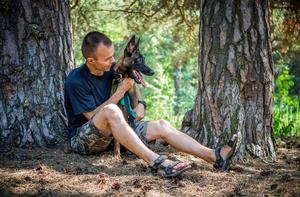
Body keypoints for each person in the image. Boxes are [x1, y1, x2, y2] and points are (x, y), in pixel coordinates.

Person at [64, 31, 239, 178]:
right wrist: (119, 93)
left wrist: (141, 103)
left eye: (113, 55)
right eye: (107, 59)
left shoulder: (112, 68)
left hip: (119, 132)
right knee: (111, 110)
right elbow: (93, 117)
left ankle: (214, 156)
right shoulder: (76, 80)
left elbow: (131, 82)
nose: (113, 61)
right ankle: (157, 162)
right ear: (91, 61)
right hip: (86, 139)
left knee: (162, 125)